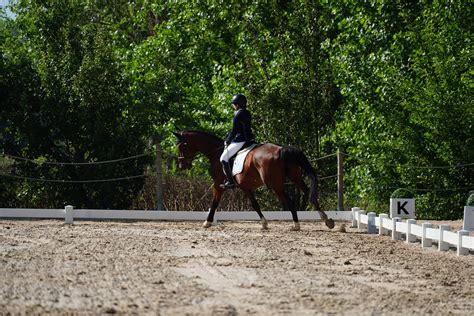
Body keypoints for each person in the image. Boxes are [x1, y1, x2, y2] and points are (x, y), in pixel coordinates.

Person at [220, 93, 254, 189]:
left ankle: (231, 182)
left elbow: (234, 131)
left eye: (234, 104)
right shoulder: (247, 112)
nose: (233, 106)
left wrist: (227, 141)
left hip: (240, 140)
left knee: (223, 158)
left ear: (238, 105)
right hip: (249, 139)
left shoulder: (238, 114)